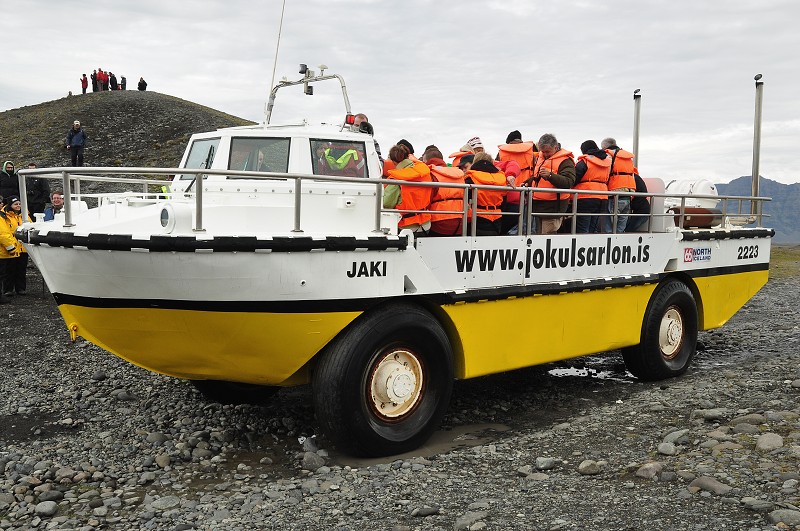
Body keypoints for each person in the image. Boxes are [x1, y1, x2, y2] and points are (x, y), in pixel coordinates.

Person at [529, 133, 576, 235]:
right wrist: (525, 183)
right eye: (543, 151)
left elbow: (569, 182)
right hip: (538, 206)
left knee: (547, 237)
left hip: (553, 208)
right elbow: (536, 178)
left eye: (547, 151)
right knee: (540, 236)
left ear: (555, 147)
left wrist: (550, 176)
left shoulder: (565, 161)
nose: (545, 154)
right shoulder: (541, 158)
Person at [385, 144, 433, 234]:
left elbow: (386, 203)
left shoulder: (396, 180)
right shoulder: (425, 173)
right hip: (426, 224)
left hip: (407, 226)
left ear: (394, 162)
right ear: (408, 156)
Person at [497, 130, 536, 234]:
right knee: (526, 222)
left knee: (508, 221)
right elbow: (535, 171)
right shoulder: (531, 153)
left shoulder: (502, 152)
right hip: (527, 191)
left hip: (508, 191)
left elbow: (497, 169)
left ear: (509, 142)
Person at [423, 146, 467, 236]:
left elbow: (426, 201)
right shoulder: (458, 173)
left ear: (427, 161)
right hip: (461, 221)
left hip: (439, 222)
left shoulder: (430, 174)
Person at [572, 140, 611, 233]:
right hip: (602, 196)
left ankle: (581, 246)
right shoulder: (607, 162)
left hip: (586, 196)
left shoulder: (585, 161)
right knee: (593, 228)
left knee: (582, 228)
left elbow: (574, 178)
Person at [464, 152, 507, 235]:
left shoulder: (471, 178)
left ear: (475, 161)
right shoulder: (501, 178)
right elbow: (504, 202)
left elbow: (466, 199)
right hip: (497, 217)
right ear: (491, 162)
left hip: (477, 217)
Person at [600, 137, 637, 233]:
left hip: (615, 190)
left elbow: (605, 172)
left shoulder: (609, 155)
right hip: (629, 191)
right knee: (623, 218)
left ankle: (609, 237)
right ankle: (620, 236)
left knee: (609, 217)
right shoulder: (627, 157)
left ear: (605, 147)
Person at [0, 196, 31, 296]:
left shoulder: (24, 215)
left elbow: (30, 226)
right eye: (15, 204)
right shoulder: (5, 216)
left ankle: (20, 288)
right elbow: (5, 233)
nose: (18, 206)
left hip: (23, 247)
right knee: (10, 270)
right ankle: (8, 289)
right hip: (12, 248)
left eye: (19, 204)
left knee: (21, 269)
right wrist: (11, 246)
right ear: (10, 205)